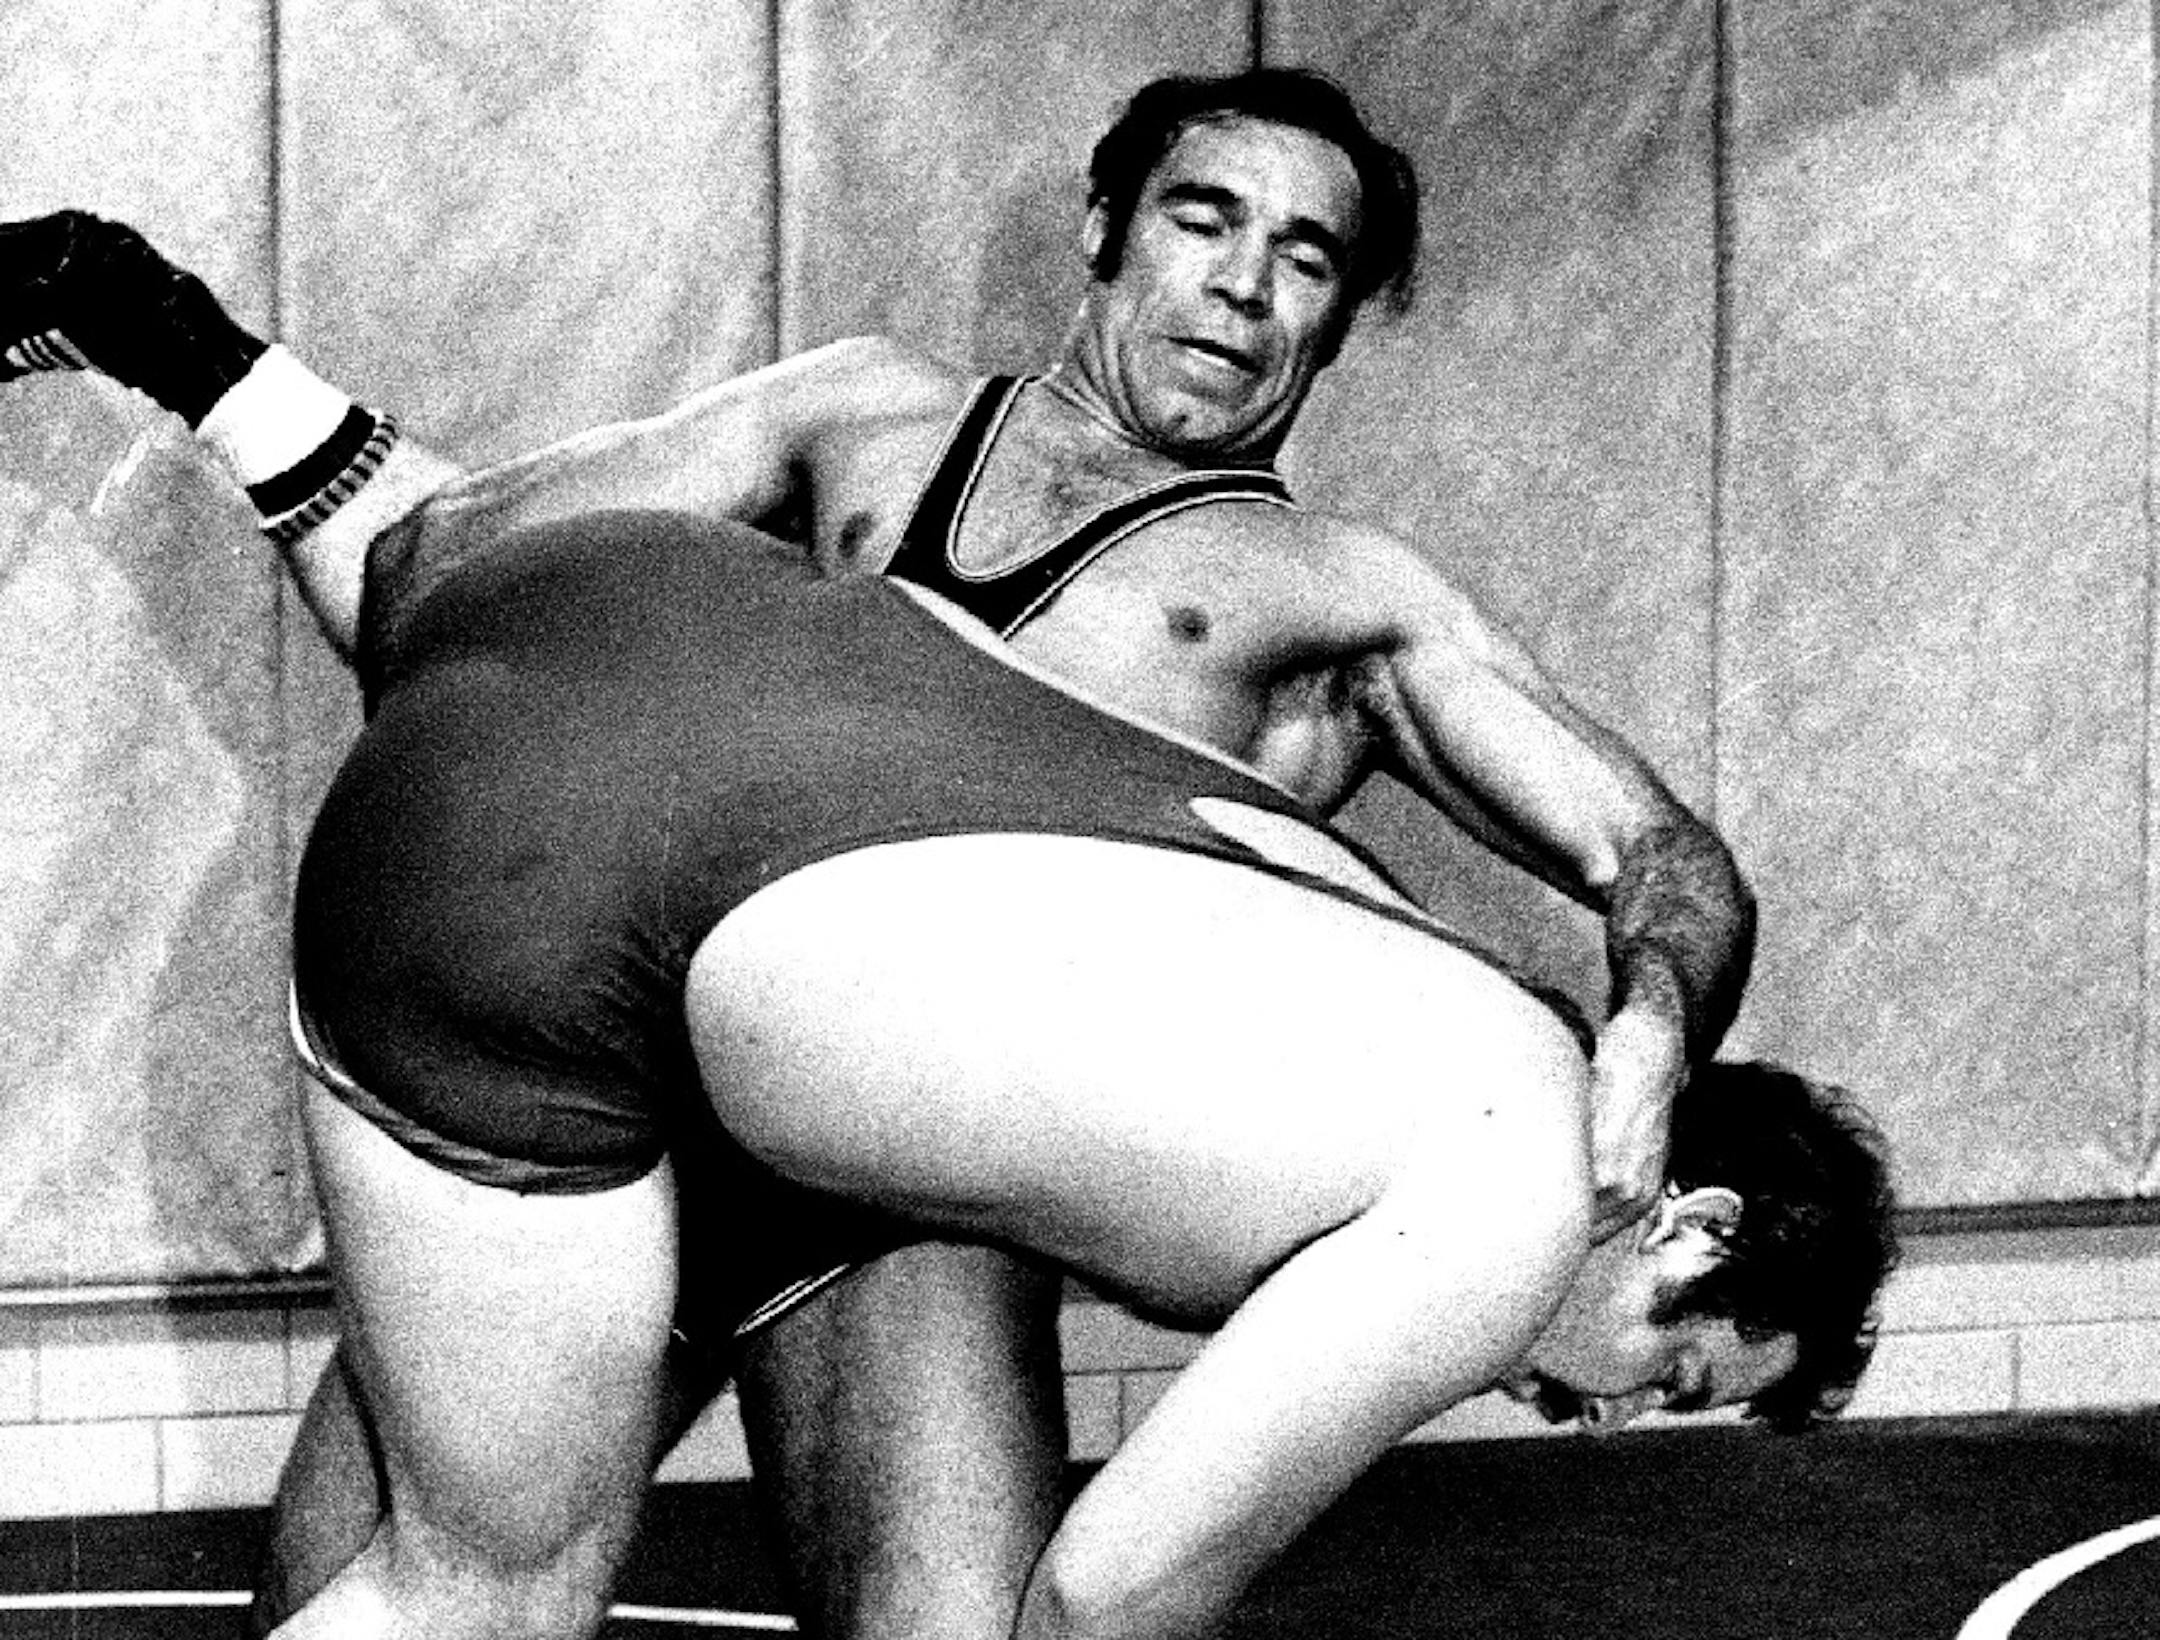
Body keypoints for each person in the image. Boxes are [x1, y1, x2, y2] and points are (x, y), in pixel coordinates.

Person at [5, 66, 1779, 1637]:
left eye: (1306, 259)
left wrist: (1651, 1024)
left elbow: (1662, 853)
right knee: (356, 1589)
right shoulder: (863, 409)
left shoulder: (1346, 601)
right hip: (616, 1049)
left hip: (899, 1191)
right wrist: (196, 362)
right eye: (1205, 219)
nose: (1244, 284)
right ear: (1104, 230)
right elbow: (462, 585)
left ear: (1334, 326)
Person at [279, 500, 1893, 1638]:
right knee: (488, 1594)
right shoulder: (1525, 1189)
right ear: (1688, 1221)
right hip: (606, 914)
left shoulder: (1387, 948)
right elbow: (1106, 1597)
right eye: (1673, 1377)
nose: (1606, 1421)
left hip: (589, 629)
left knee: (471, 1583)